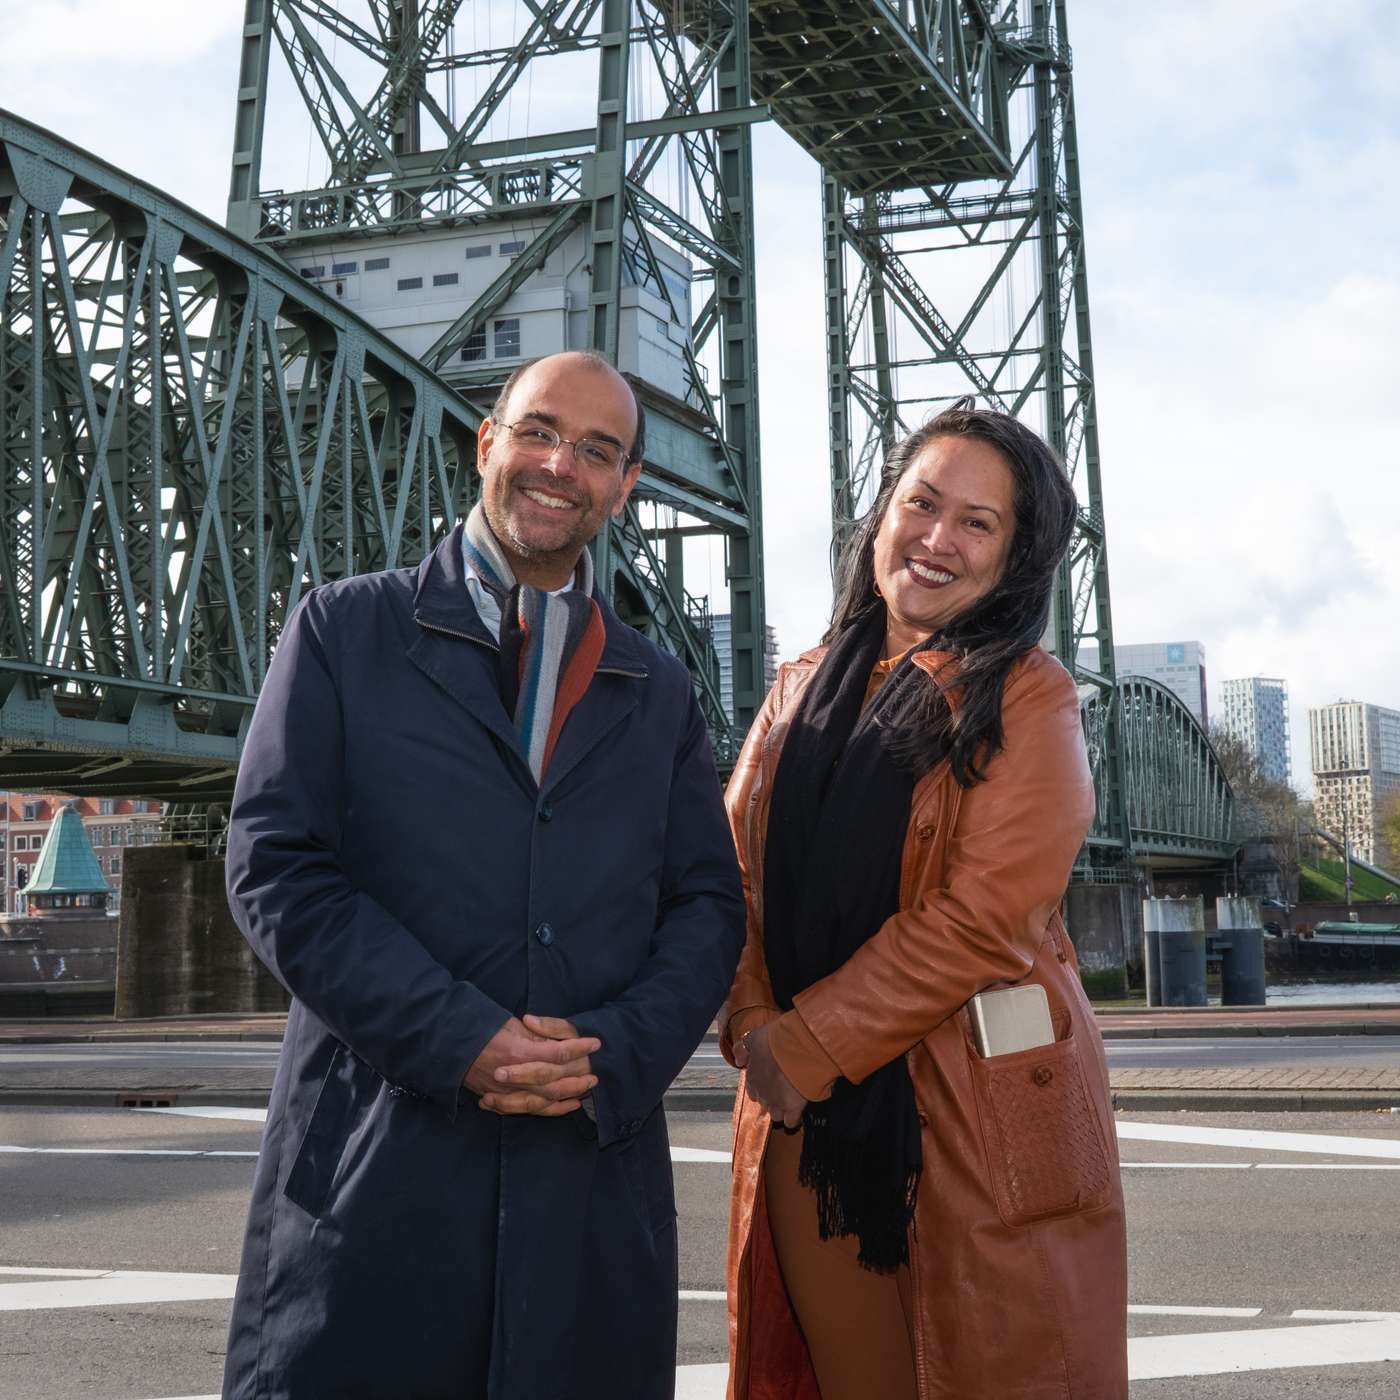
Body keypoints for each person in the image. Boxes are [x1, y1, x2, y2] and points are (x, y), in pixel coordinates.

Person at [221, 350, 745, 1400]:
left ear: (626, 485)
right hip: (376, 1173)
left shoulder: (659, 688)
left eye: (597, 450)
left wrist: (611, 1053)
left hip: (587, 1172)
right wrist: (460, 1037)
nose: (561, 464)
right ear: (485, 441)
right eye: (539, 431)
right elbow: (275, 864)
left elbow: (706, 902)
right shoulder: (341, 629)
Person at [719, 400, 1128, 1399]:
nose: (937, 537)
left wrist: (799, 1048)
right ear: (882, 514)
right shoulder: (796, 687)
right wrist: (746, 1022)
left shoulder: (1028, 696)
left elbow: (984, 917)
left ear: (1014, 558)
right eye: (921, 501)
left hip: (976, 1118)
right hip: (803, 1128)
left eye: (976, 522)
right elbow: (724, 875)